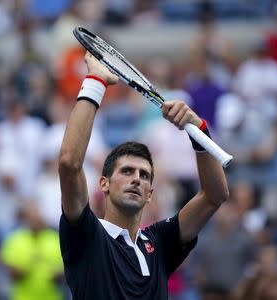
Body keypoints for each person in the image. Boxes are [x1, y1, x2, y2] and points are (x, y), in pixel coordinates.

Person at [58, 52, 229, 299]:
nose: (137, 178)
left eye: (145, 175)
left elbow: (215, 195)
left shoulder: (158, 242)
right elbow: (69, 163)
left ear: (150, 194)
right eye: (127, 171)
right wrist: (96, 80)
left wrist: (198, 129)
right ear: (103, 183)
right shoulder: (87, 235)